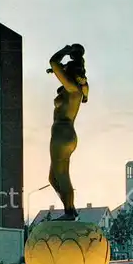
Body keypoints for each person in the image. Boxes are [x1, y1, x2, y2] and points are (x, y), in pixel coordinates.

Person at [47, 44, 89, 220]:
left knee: (62, 174)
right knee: (53, 178)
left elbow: (54, 62)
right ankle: (69, 207)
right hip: (65, 135)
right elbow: (57, 68)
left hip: (62, 134)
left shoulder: (72, 89)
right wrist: (58, 70)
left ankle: (69, 211)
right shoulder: (77, 90)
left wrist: (65, 50)